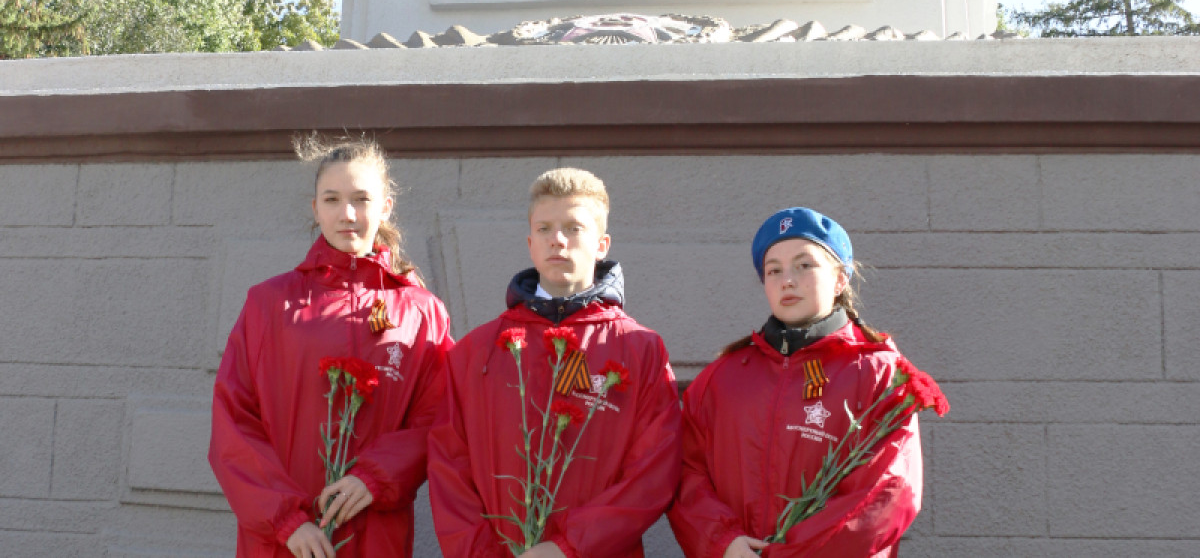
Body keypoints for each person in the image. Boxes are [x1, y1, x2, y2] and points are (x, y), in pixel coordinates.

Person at [209, 134, 453, 558]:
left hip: (375, 532)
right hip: (285, 543)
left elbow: (439, 417)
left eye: (361, 199)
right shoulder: (269, 304)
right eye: (332, 200)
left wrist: (375, 477)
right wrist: (285, 520)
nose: (348, 214)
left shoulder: (421, 311)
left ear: (385, 206)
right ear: (315, 208)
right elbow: (234, 422)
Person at [427, 167, 683, 558]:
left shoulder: (641, 350)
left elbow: (652, 474)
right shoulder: (474, 351)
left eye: (573, 228)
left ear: (601, 244)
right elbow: (449, 470)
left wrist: (568, 547)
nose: (557, 240)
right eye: (544, 229)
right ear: (530, 244)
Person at [668, 207, 923, 558]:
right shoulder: (721, 378)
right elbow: (686, 474)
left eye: (804, 265)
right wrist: (722, 542)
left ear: (840, 279)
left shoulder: (880, 373)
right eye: (774, 270)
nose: (787, 280)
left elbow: (888, 492)